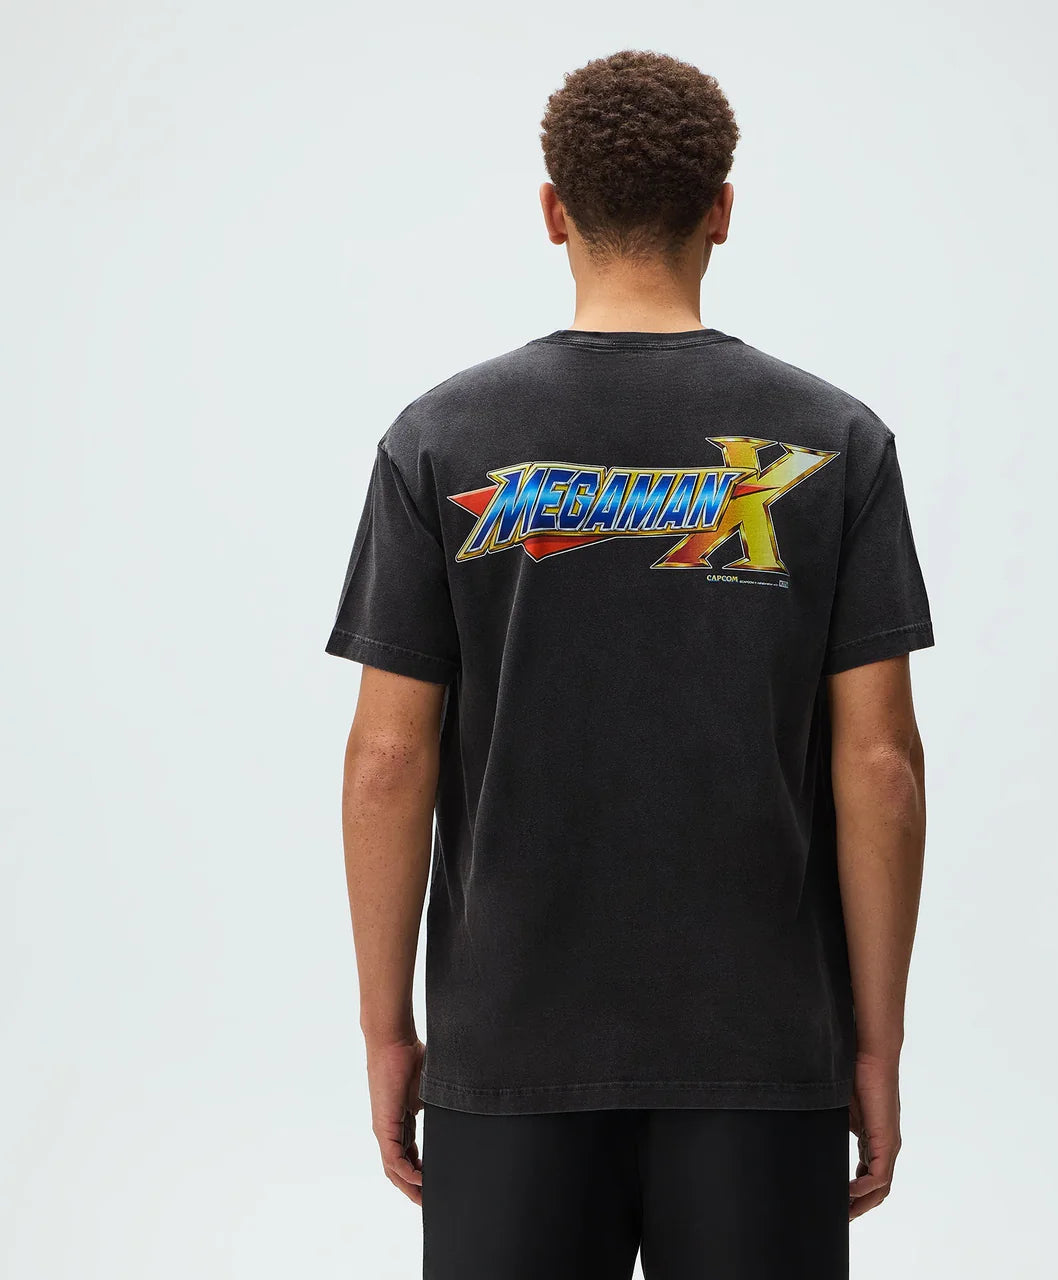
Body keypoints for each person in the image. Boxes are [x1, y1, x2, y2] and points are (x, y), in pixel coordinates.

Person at [325, 49, 933, 1280]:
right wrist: (873, 1041)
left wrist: (389, 1027)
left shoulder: (439, 438)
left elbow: (388, 757)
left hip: (508, 1046)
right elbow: (879, 764)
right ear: (721, 208)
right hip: (762, 1050)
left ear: (553, 210)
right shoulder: (833, 440)